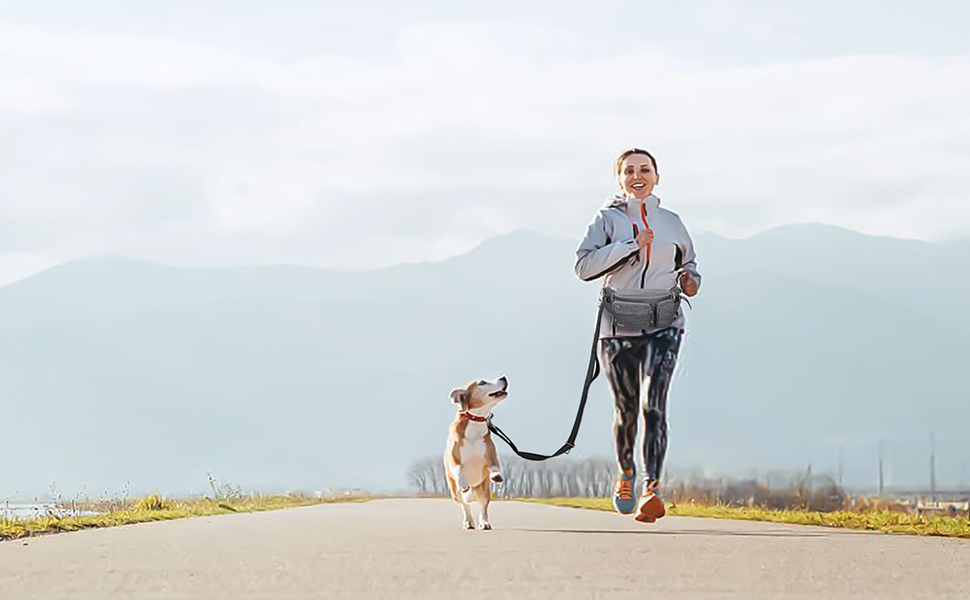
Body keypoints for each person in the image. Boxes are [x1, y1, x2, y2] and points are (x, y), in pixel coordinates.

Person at [574, 148, 701, 523]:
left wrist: (690, 280)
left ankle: (652, 488)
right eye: (629, 171)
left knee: (654, 404)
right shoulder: (607, 219)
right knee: (627, 409)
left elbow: (689, 262)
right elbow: (582, 266)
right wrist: (631, 245)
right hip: (618, 327)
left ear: (657, 177)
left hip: (665, 322)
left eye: (644, 169)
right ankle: (626, 474)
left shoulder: (673, 222)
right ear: (620, 180)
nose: (637, 175)